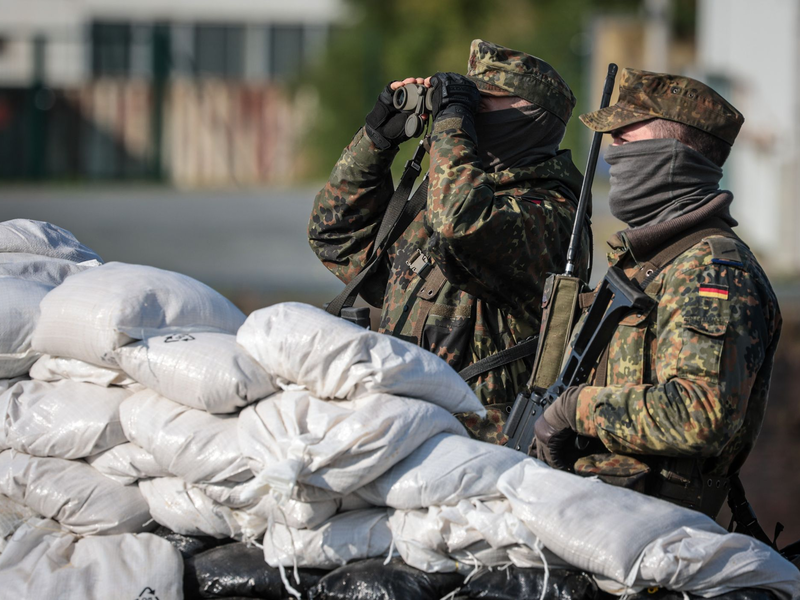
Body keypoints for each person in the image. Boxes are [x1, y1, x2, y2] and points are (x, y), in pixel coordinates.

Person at [308, 40, 590, 443]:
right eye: (466, 101)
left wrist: (452, 121)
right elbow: (334, 235)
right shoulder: (451, 193)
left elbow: (460, 222)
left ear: (529, 117)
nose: (469, 114)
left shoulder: (550, 213)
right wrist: (376, 142)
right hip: (407, 425)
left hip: (480, 444)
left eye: (482, 102)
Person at [533, 68, 782, 518]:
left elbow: (700, 414)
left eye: (625, 141)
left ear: (671, 155)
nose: (613, 154)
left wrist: (575, 409)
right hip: (600, 511)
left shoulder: (713, 272)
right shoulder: (651, 261)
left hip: (653, 529)